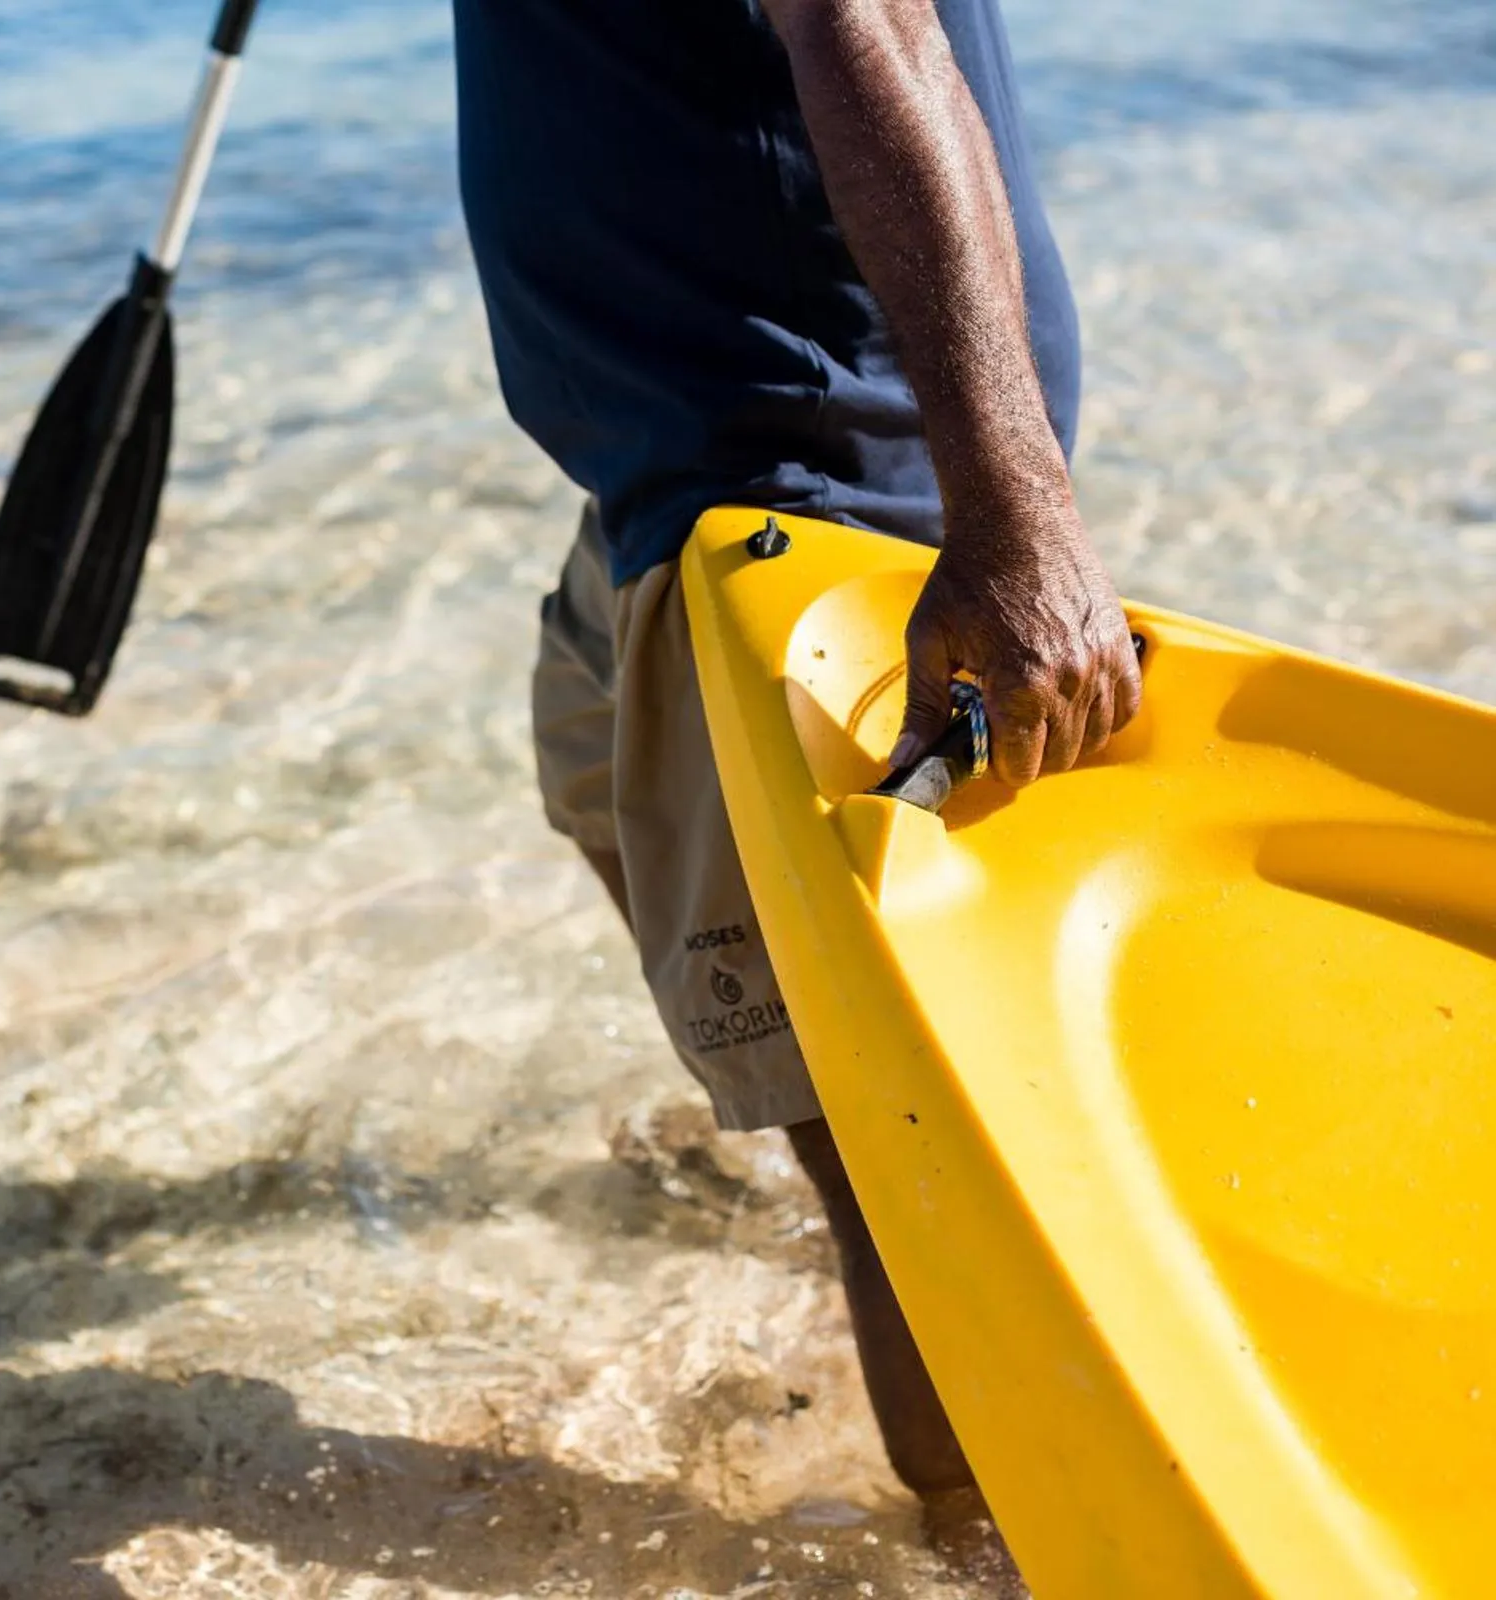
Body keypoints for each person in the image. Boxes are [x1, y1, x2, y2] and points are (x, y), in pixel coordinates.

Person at [450, 0, 1144, 1577]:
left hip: (804, 519)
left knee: (896, 1153)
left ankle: (1002, 1553)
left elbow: (870, 26)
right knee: (588, 767)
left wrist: (1011, 521)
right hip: (664, 476)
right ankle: (813, 1129)